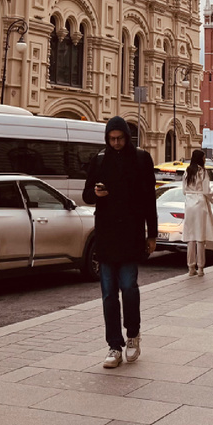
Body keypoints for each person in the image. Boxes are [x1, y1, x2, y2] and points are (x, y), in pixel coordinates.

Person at [82, 116, 157, 369]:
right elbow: (86, 193)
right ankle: (114, 345)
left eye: (120, 138)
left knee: (129, 287)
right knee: (107, 294)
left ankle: (133, 334)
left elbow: (149, 200)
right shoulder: (99, 160)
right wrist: (96, 193)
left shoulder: (141, 159)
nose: (116, 143)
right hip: (106, 234)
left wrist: (152, 234)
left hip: (131, 233)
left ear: (127, 137)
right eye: (112, 139)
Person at [182, 149, 213, 277]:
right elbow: (206, 190)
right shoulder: (203, 172)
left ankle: (191, 267)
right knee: (200, 237)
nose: (205, 159)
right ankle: (201, 267)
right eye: (204, 157)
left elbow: (184, 190)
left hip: (189, 203)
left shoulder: (187, 171)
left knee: (190, 237)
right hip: (200, 203)